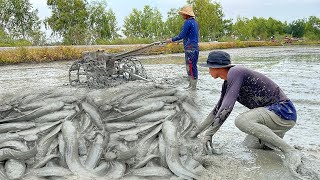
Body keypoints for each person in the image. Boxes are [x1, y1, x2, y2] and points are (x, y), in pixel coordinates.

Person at [189, 50, 302, 174]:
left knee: (241, 121)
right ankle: (272, 144)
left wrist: (209, 133)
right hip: (271, 118)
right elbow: (216, 111)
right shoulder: (228, 84)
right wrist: (196, 133)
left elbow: (227, 108)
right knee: (250, 147)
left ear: (218, 67)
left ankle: (290, 151)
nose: (209, 71)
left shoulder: (236, 72)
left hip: (283, 112)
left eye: (210, 67)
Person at [166, 5, 199, 90]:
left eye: (183, 14)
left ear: (187, 15)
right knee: (193, 66)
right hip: (194, 47)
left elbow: (182, 35)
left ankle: (192, 87)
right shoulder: (194, 22)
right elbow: (190, 35)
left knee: (190, 67)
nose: (182, 16)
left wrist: (171, 39)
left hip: (190, 48)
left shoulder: (187, 22)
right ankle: (192, 86)